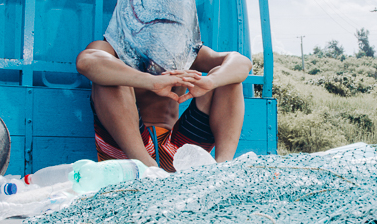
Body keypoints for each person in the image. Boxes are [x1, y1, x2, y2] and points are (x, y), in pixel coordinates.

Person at [76, 39, 251, 171]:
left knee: (229, 78)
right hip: (130, 155)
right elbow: (86, 61)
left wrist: (211, 81)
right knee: (108, 75)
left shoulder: (186, 48)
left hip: (176, 150)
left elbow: (241, 62)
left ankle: (222, 168)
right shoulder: (113, 45)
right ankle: (149, 169)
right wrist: (152, 82)